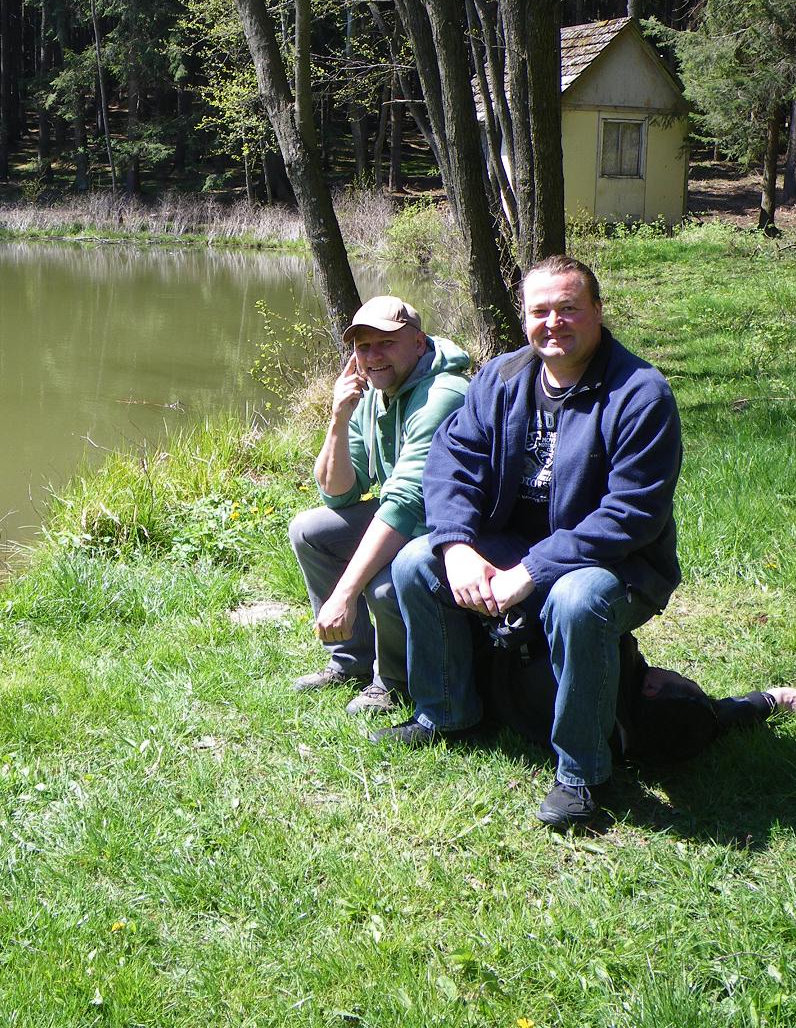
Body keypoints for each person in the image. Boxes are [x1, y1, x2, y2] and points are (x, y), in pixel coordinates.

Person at [378, 255, 684, 832]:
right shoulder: (499, 379)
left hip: (616, 563)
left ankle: (583, 773)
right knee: (418, 562)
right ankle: (447, 714)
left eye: (569, 308)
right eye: (540, 310)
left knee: (575, 600)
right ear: (523, 318)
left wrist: (533, 570)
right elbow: (450, 465)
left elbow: (632, 514)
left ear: (596, 310)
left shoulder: (642, 393)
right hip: (510, 544)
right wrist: (456, 545)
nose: (554, 322)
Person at [289, 296, 471, 715]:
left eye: (386, 343)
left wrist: (344, 594)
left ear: (419, 344)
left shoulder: (441, 396)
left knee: (384, 580)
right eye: (363, 347)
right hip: (411, 515)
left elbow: (408, 505)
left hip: (454, 529)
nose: (372, 357)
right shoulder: (373, 393)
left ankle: (393, 680)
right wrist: (338, 416)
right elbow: (338, 493)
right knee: (310, 531)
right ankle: (350, 661)